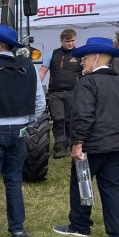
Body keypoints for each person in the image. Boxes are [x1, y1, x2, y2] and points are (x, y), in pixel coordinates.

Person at [53, 37, 119, 237]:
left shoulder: (87, 82)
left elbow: (83, 115)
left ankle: (80, 226)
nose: (81, 62)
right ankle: (118, 236)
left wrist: (77, 142)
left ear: (96, 58)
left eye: (85, 58)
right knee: (114, 188)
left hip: (94, 145)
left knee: (81, 183)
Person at [0, 24, 45, 237]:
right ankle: (18, 229)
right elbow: (40, 103)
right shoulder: (28, 67)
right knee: (14, 180)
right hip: (20, 130)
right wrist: (27, 123)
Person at [38, 29, 82, 158]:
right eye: (67, 41)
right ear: (61, 41)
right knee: (58, 119)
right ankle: (59, 146)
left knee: (70, 120)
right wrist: (37, 88)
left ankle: (70, 143)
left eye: (72, 40)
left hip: (73, 92)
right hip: (55, 93)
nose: (70, 43)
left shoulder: (81, 54)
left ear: (76, 39)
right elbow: (42, 72)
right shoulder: (52, 54)